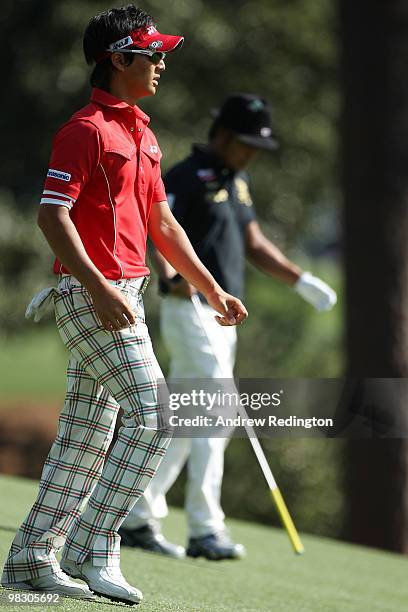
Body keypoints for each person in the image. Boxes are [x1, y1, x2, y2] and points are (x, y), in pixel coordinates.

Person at [1, 7, 247, 605]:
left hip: (125, 292)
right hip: (93, 296)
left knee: (87, 436)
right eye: (152, 55)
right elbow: (51, 216)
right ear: (119, 59)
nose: (161, 64)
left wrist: (209, 286)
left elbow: (162, 222)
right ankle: (92, 547)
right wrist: (99, 286)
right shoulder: (85, 129)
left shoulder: (142, 129)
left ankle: (32, 559)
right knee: (156, 413)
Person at [119, 93, 337, 561]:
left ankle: (134, 515)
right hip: (191, 309)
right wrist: (170, 275)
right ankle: (204, 528)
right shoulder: (184, 176)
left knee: (185, 421)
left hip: (223, 317)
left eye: (257, 145)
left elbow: (253, 243)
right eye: (244, 143)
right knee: (215, 414)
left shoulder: (238, 181)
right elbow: (155, 226)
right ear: (220, 134)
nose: (251, 153)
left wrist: (301, 281)